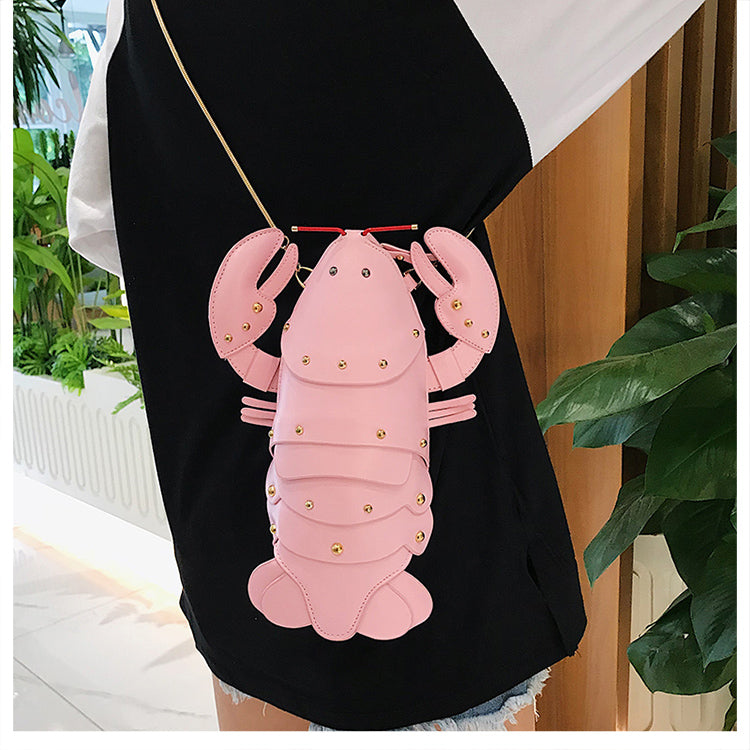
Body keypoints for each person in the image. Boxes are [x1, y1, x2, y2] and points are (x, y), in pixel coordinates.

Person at [67, 0, 705, 731]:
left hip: (228, 564)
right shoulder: (425, 25)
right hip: (446, 615)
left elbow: (103, 222)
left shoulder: (145, 19)